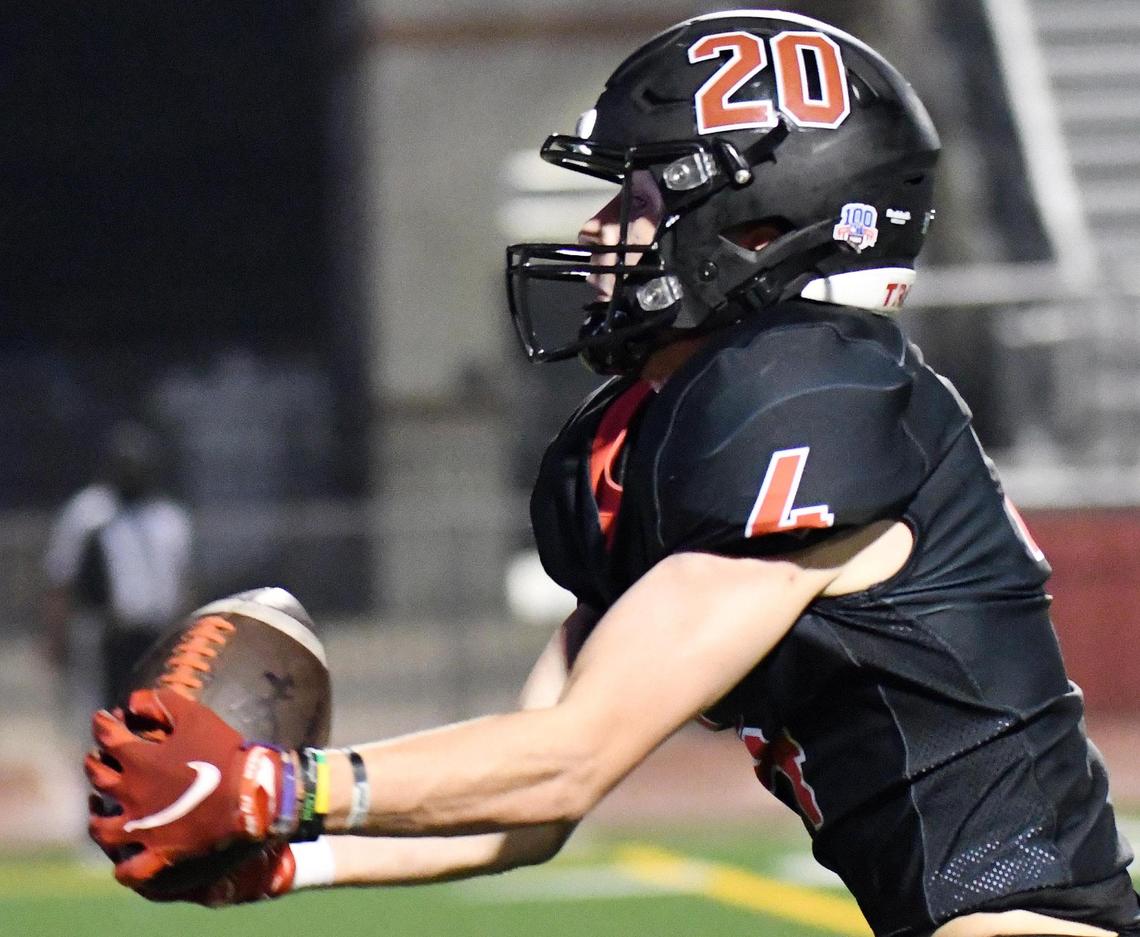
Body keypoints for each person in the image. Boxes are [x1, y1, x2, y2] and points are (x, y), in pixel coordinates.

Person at [85, 11, 1139, 937]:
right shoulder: (667, 434)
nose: (594, 232)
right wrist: (285, 858)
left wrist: (272, 786)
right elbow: (530, 806)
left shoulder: (807, 389)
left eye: (630, 196)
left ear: (755, 223)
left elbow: (573, 756)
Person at [43, 419, 195, 714]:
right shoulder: (88, 513)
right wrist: (55, 638)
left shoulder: (168, 518)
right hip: (105, 634)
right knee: (102, 714)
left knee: (152, 716)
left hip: (157, 635)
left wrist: (187, 638)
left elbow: (182, 583)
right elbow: (61, 579)